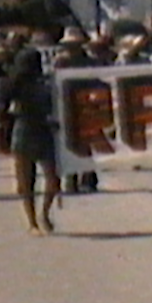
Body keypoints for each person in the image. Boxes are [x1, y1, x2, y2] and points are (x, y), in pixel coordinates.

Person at [3, 48, 61, 234]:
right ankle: (35, 220)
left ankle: (39, 217)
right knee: (34, 180)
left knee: (43, 179)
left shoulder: (43, 83)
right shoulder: (17, 84)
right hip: (30, 129)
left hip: (34, 130)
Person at [53, 26, 99, 193]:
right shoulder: (60, 62)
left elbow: (97, 82)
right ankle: (71, 179)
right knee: (69, 144)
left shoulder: (90, 62)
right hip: (66, 106)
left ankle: (88, 178)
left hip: (86, 106)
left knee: (86, 144)